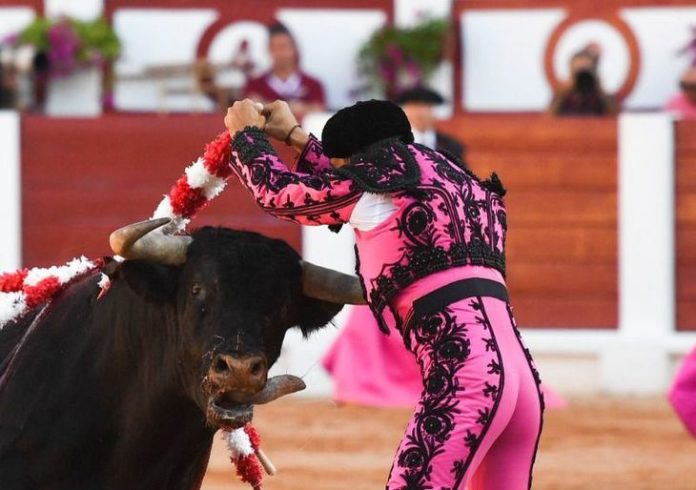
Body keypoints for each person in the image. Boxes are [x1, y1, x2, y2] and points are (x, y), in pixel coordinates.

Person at [223, 98, 544, 489]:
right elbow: (352, 185)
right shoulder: (453, 180)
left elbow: (279, 193)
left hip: (466, 379)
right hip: (522, 385)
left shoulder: (374, 189)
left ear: (361, 162)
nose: (340, 174)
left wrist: (246, 136)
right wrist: (295, 137)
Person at [243, 22, 326, 119]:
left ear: (294, 49)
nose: (280, 53)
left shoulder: (313, 85)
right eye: (275, 48)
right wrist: (296, 108)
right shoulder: (254, 85)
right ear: (268, 50)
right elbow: (252, 110)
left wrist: (268, 106)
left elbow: (318, 112)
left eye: (284, 47)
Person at [395, 86, 467, 163]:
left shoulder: (452, 146)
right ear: (406, 111)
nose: (420, 113)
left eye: (426, 106)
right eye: (415, 107)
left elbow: (461, 173)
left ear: (434, 112)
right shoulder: (393, 146)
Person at [549, 47, 616, 116]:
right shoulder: (564, 95)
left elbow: (615, 117)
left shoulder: (599, 95)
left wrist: (600, 90)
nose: (582, 77)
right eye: (577, 72)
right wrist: (562, 94)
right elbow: (549, 118)